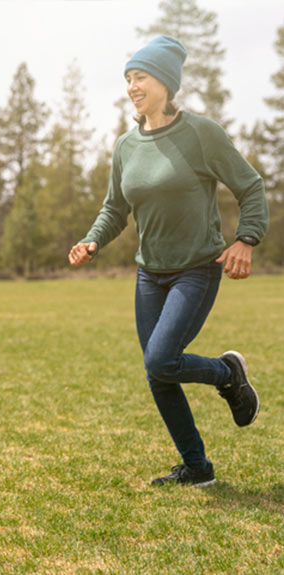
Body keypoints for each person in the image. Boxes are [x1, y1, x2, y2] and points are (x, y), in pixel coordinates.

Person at [68, 35, 269, 487]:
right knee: (159, 373)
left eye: (139, 76)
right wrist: (92, 240)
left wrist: (247, 239)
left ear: (165, 82)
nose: (131, 86)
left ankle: (227, 373)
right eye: (127, 79)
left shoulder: (201, 133)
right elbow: (115, 208)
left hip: (196, 269)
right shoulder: (125, 146)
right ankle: (197, 468)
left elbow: (251, 187)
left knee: (160, 360)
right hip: (149, 274)